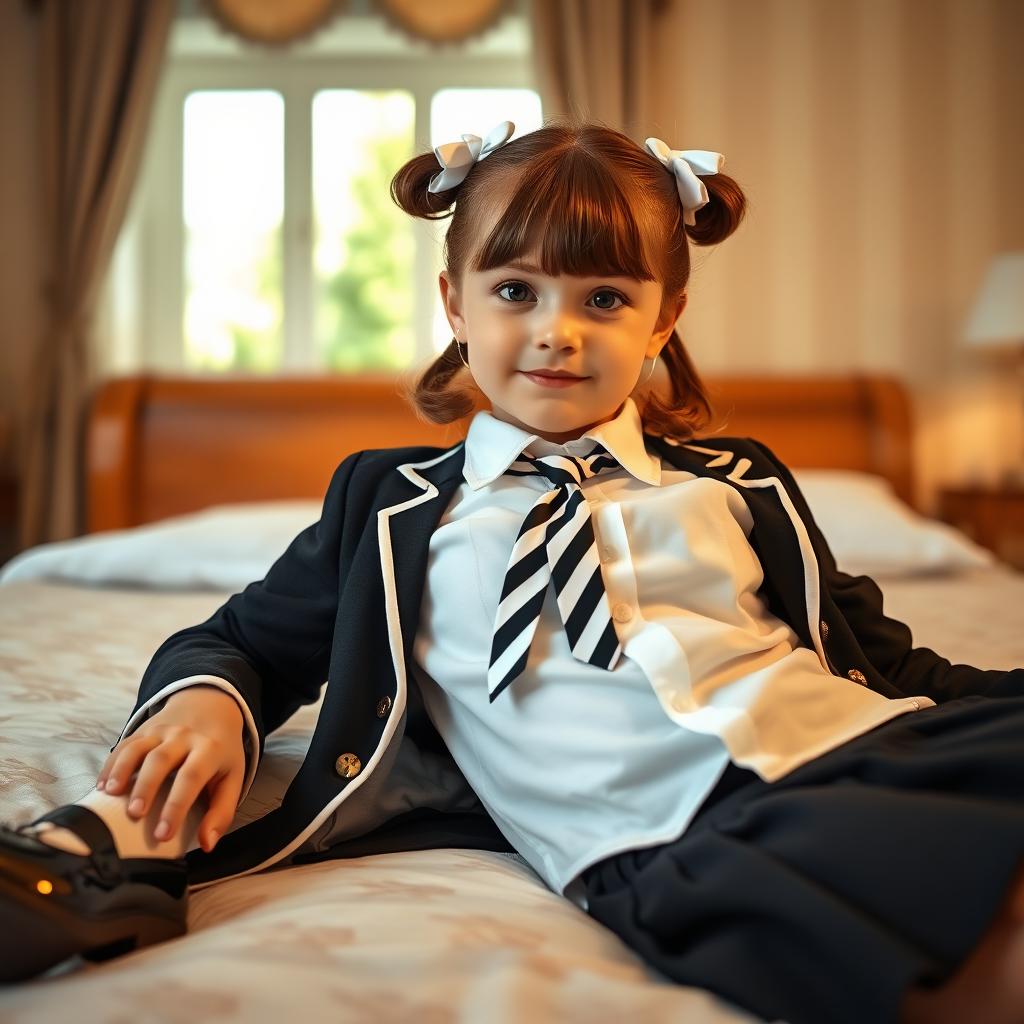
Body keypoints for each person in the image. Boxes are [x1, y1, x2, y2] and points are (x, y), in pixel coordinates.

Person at [2, 115, 1023, 1024]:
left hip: (852, 744)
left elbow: (893, 664)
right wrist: (208, 703)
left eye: (606, 297)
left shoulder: (737, 481)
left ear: (663, 317)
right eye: (513, 289)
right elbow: (241, 640)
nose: (555, 331)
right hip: (673, 829)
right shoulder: (390, 503)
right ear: (454, 301)